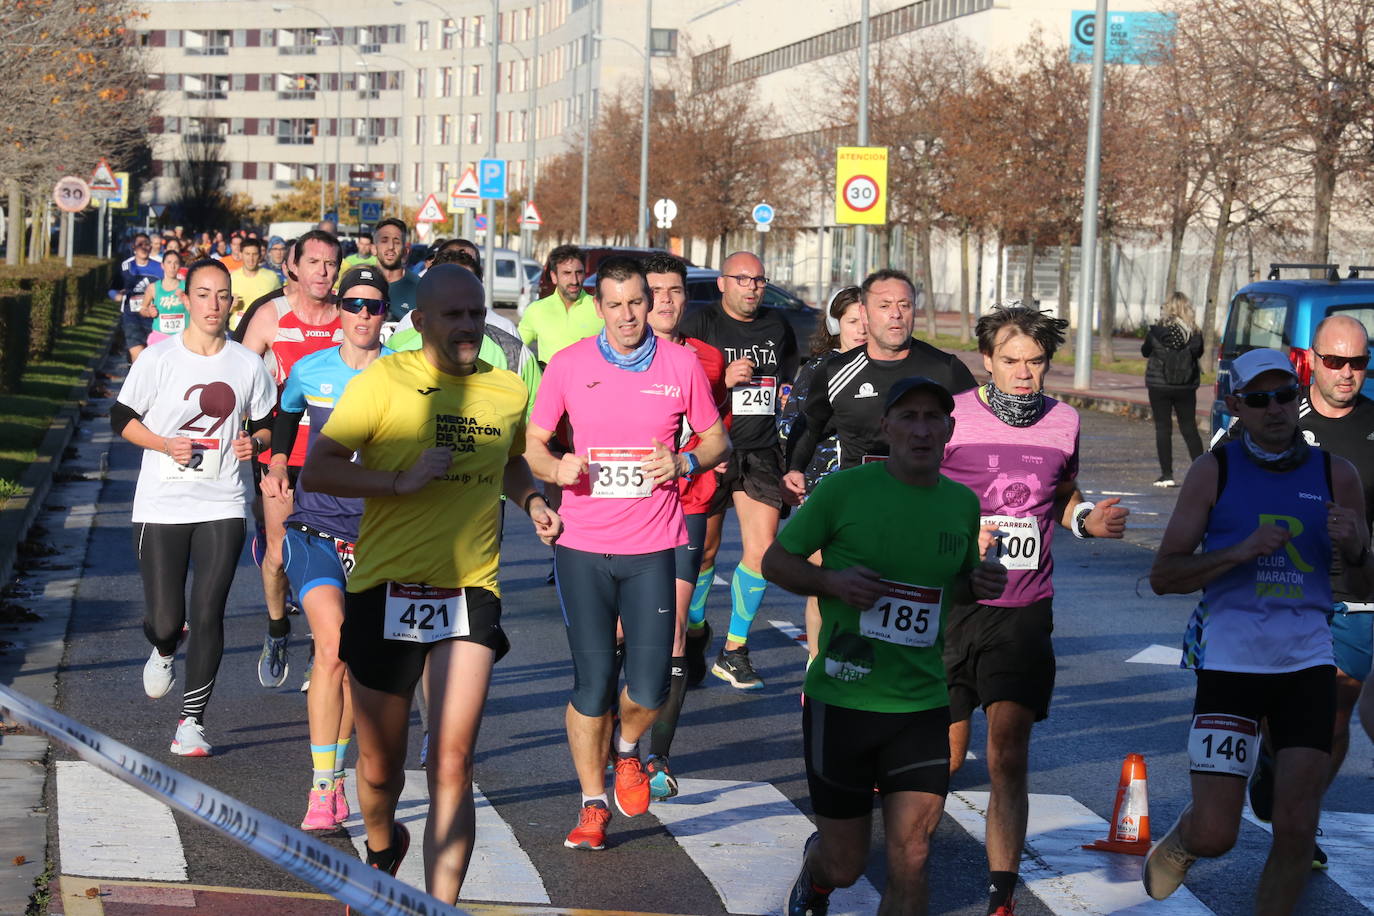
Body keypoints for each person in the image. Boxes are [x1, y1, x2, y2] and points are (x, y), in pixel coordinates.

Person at [303, 263, 560, 903]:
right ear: (420, 322)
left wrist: (530, 501)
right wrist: (398, 482)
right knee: (379, 766)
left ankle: (439, 902)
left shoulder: (504, 391)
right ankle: (385, 841)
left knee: (452, 761)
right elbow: (320, 470)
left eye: (476, 313)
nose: (468, 325)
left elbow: (510, 462)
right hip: (385, 587)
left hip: (469, 590)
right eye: (453, 315)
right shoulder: (384, 381)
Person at [763, 377, 1007, 916]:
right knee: (847, 863)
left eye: (933, 418)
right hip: (844, 700)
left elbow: (958, 582)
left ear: (949, 430)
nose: (921, 429)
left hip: (921, 704)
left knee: (913, 854)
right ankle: (819, 875)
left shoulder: (961, 505)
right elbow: (775, 562)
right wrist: (833, 583)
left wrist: (979, 584)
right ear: (886, 426)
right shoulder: (843, 492)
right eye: (909, 417)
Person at [1144, 348, 1371, 913]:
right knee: (1218, 833)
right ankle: (1186, 838)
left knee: (1296, 830)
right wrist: (1238, 552)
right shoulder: (1213, 471)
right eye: (1259, 399)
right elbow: (1165, 575)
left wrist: (1356, 547)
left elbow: (1367, 577)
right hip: (1230, 666)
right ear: (1233, 405)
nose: (1275, 409)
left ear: (1298, 398)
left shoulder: (1336, 474)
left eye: (1284, 396)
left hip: (1307, 666)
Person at [525, 256, 729, 851]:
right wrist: (555, 466)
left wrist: (685, 460)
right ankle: (592, 805)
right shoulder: (568, 365)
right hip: (583, 545)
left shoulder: (680, 364)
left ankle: (628, 751)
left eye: (636, 302)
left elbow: (715, 436)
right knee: (592, 686)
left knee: (650, 685)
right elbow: (533, 446)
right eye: (613, 304)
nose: (626, 315)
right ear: (599, 307)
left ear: (650, 302)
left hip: (651, 546)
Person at [940, 305, 1128, 916]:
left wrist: (1083, 520)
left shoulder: (1064, 421)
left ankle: (1001, 892)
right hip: (950, 605)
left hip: (1023, 609)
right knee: (936, 758)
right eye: (1012, 360)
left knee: (1008, 754)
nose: (1024, 373)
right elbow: (919, 491)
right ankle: (892, 852)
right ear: (987, 362)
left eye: (1036, 362)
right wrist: (959, 541)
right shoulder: (952, 417)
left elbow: (1062, 492)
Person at [111, 258, 276, 755]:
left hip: (221, 500)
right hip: (161, 502)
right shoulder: (158, 360)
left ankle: (192, 722)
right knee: (166, 619)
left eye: (222, 295)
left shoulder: (246, 363)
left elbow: (268, 422)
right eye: (203, 294)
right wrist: (164, 444)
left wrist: (255, 441)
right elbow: (120, 418)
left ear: (232, 302)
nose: (213, 304)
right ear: (185, 300)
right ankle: (164, 646)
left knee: (209, 611)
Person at [1244, 314, 1374, 870]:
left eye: (1359, 363)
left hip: (1356, 591)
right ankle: (1275, 764)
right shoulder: (1278, 413)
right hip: (1283, 587)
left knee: (1334, 718)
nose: (1347, 374)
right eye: (1335, 361)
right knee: (1282, 715)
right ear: (1311, 360)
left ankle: (1302, 824)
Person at [266, 266, 392, 830]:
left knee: (351, 662)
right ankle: (321, 792)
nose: (363, 315)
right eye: (353, 304)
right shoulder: (310, 369)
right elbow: (285, 417)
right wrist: (274, 462)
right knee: (332, 648)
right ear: (339, 310)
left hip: (379, 537)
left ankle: (335, 778)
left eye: (374, 305)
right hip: (315, 528)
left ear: (386, 313)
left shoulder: (402, 376)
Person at [678, 251, 800, 689]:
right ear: (723, 283)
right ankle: (694, 633)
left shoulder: (777, 326)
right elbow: (682, 391)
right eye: (743, 279)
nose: (752, 287)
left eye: (759, 280)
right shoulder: (700, 326)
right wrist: (721, 381)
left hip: (761, 450)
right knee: (704, 553)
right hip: (713, 449)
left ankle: (734, 650)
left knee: (763, 550)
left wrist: (787, 396)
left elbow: (788, 379)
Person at [639, 253, 729, 796]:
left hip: (686, 505)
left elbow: (717, 429)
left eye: (676, 291)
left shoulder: (707, 360)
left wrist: (699, 461)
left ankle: (658, 758)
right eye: (658, 291)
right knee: (624, 631)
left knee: (671, 627)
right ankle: (616, 735)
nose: (668, 300)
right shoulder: (611, 358)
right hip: (624, 509)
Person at [240, 230, 344, 688]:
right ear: (293, 268)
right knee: (280, 556)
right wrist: (251, 440)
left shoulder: (351, 316)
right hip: (282, 454)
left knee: (336, 556)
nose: (323, 271)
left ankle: (323, 647)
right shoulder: (270, 316)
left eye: (331, 263)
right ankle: (278, 628)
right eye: (314, 262)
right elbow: (238, 382)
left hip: (337, 458)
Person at [776, 286, 867, 672]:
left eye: (867, 320)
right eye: (852, 322)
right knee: (825, 580)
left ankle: (858, 661)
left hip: (876, 489)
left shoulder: (893, 367)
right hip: (824, 487)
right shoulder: (819, 369)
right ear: (835, 325)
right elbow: (789, 427)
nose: (861, 329)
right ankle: (817, 661)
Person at [1142, 291, 1205, 487]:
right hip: (1185, 385)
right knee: (1189, 427)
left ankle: (1167, 474)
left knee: (1163, 428)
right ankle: (1202, 472)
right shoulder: (1194, 332)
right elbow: (1198, 352)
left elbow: (1145, 351)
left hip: (1159, 385)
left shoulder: (1157, 331)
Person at [518, 244, 603, 366]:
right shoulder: (536, 310)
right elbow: (514, 350)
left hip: (590, 384)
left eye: (579, 272)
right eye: (567, 273)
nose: (574, 280)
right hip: (550, 384)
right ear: (554, 277)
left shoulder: (601, 308)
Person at [110, 232, 163, 363]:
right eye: (140, 245)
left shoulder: (160, 267)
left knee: (151, 355)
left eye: (147, 244)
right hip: (131, 316)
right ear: (134, 247)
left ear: (151, 248)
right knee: (138, 354)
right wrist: (116, 296)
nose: (144, 248)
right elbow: (112, 289)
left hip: (153, 317)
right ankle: (138, 379)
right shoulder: (126, 267)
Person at [228, 238, 283, 329]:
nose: (251, 258)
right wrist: (230, 305)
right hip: (236, 330)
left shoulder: (271, 277)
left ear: (260, 256)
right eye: (247, 254)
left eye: (254, 254)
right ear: (241, 255)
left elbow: (280, 305)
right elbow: (222, 310)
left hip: (263, 330)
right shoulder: (232, 278)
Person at [373, 218, 420, 319]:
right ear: (373, 249)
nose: (390, 247)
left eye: (397, 242)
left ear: (405, 251)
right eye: (384, 241)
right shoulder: (359, 283)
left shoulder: (420, 287)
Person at [140, 250, 187, 346]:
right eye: (169, 262)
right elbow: (142, 309)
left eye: (176, 263)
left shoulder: (187, 287)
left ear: (180, 266)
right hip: (160, 338)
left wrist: (185, 299)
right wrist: (149, 312)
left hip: (184, 337)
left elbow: (197, 310)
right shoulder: (153, 288)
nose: (172, 266)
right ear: (162, 265)